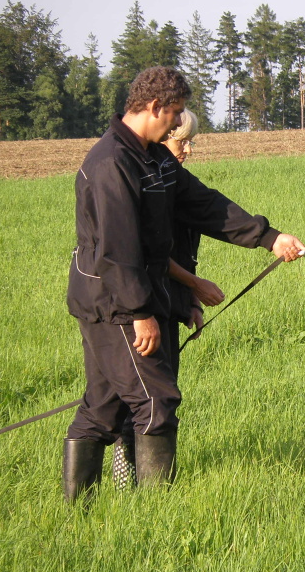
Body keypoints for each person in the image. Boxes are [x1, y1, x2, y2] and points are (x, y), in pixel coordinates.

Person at [63, 66, 305, 503]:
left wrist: (268, 238)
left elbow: (203, 204)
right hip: (112, 301)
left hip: (131, 296)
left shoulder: (152, 157)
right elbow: (117, 251)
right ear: (153, 107)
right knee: (156, 400)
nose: (178, 123)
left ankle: (77, 513)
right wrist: (140, 314)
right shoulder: (110, 164)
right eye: (174, 113)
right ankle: (157, 513)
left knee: (103, 407)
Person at [110, 108, 225, 489]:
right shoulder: (143, 182)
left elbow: (186, 247)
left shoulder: (175, 182)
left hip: (168, 300)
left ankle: (148, 492)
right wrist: (194, 284)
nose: (188, 150)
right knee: (144, 398)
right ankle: (131, 483)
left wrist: (189, 301)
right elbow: (151, 254)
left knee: (157, 393)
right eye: (181, 141)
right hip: (138, 301)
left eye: (191, 142)